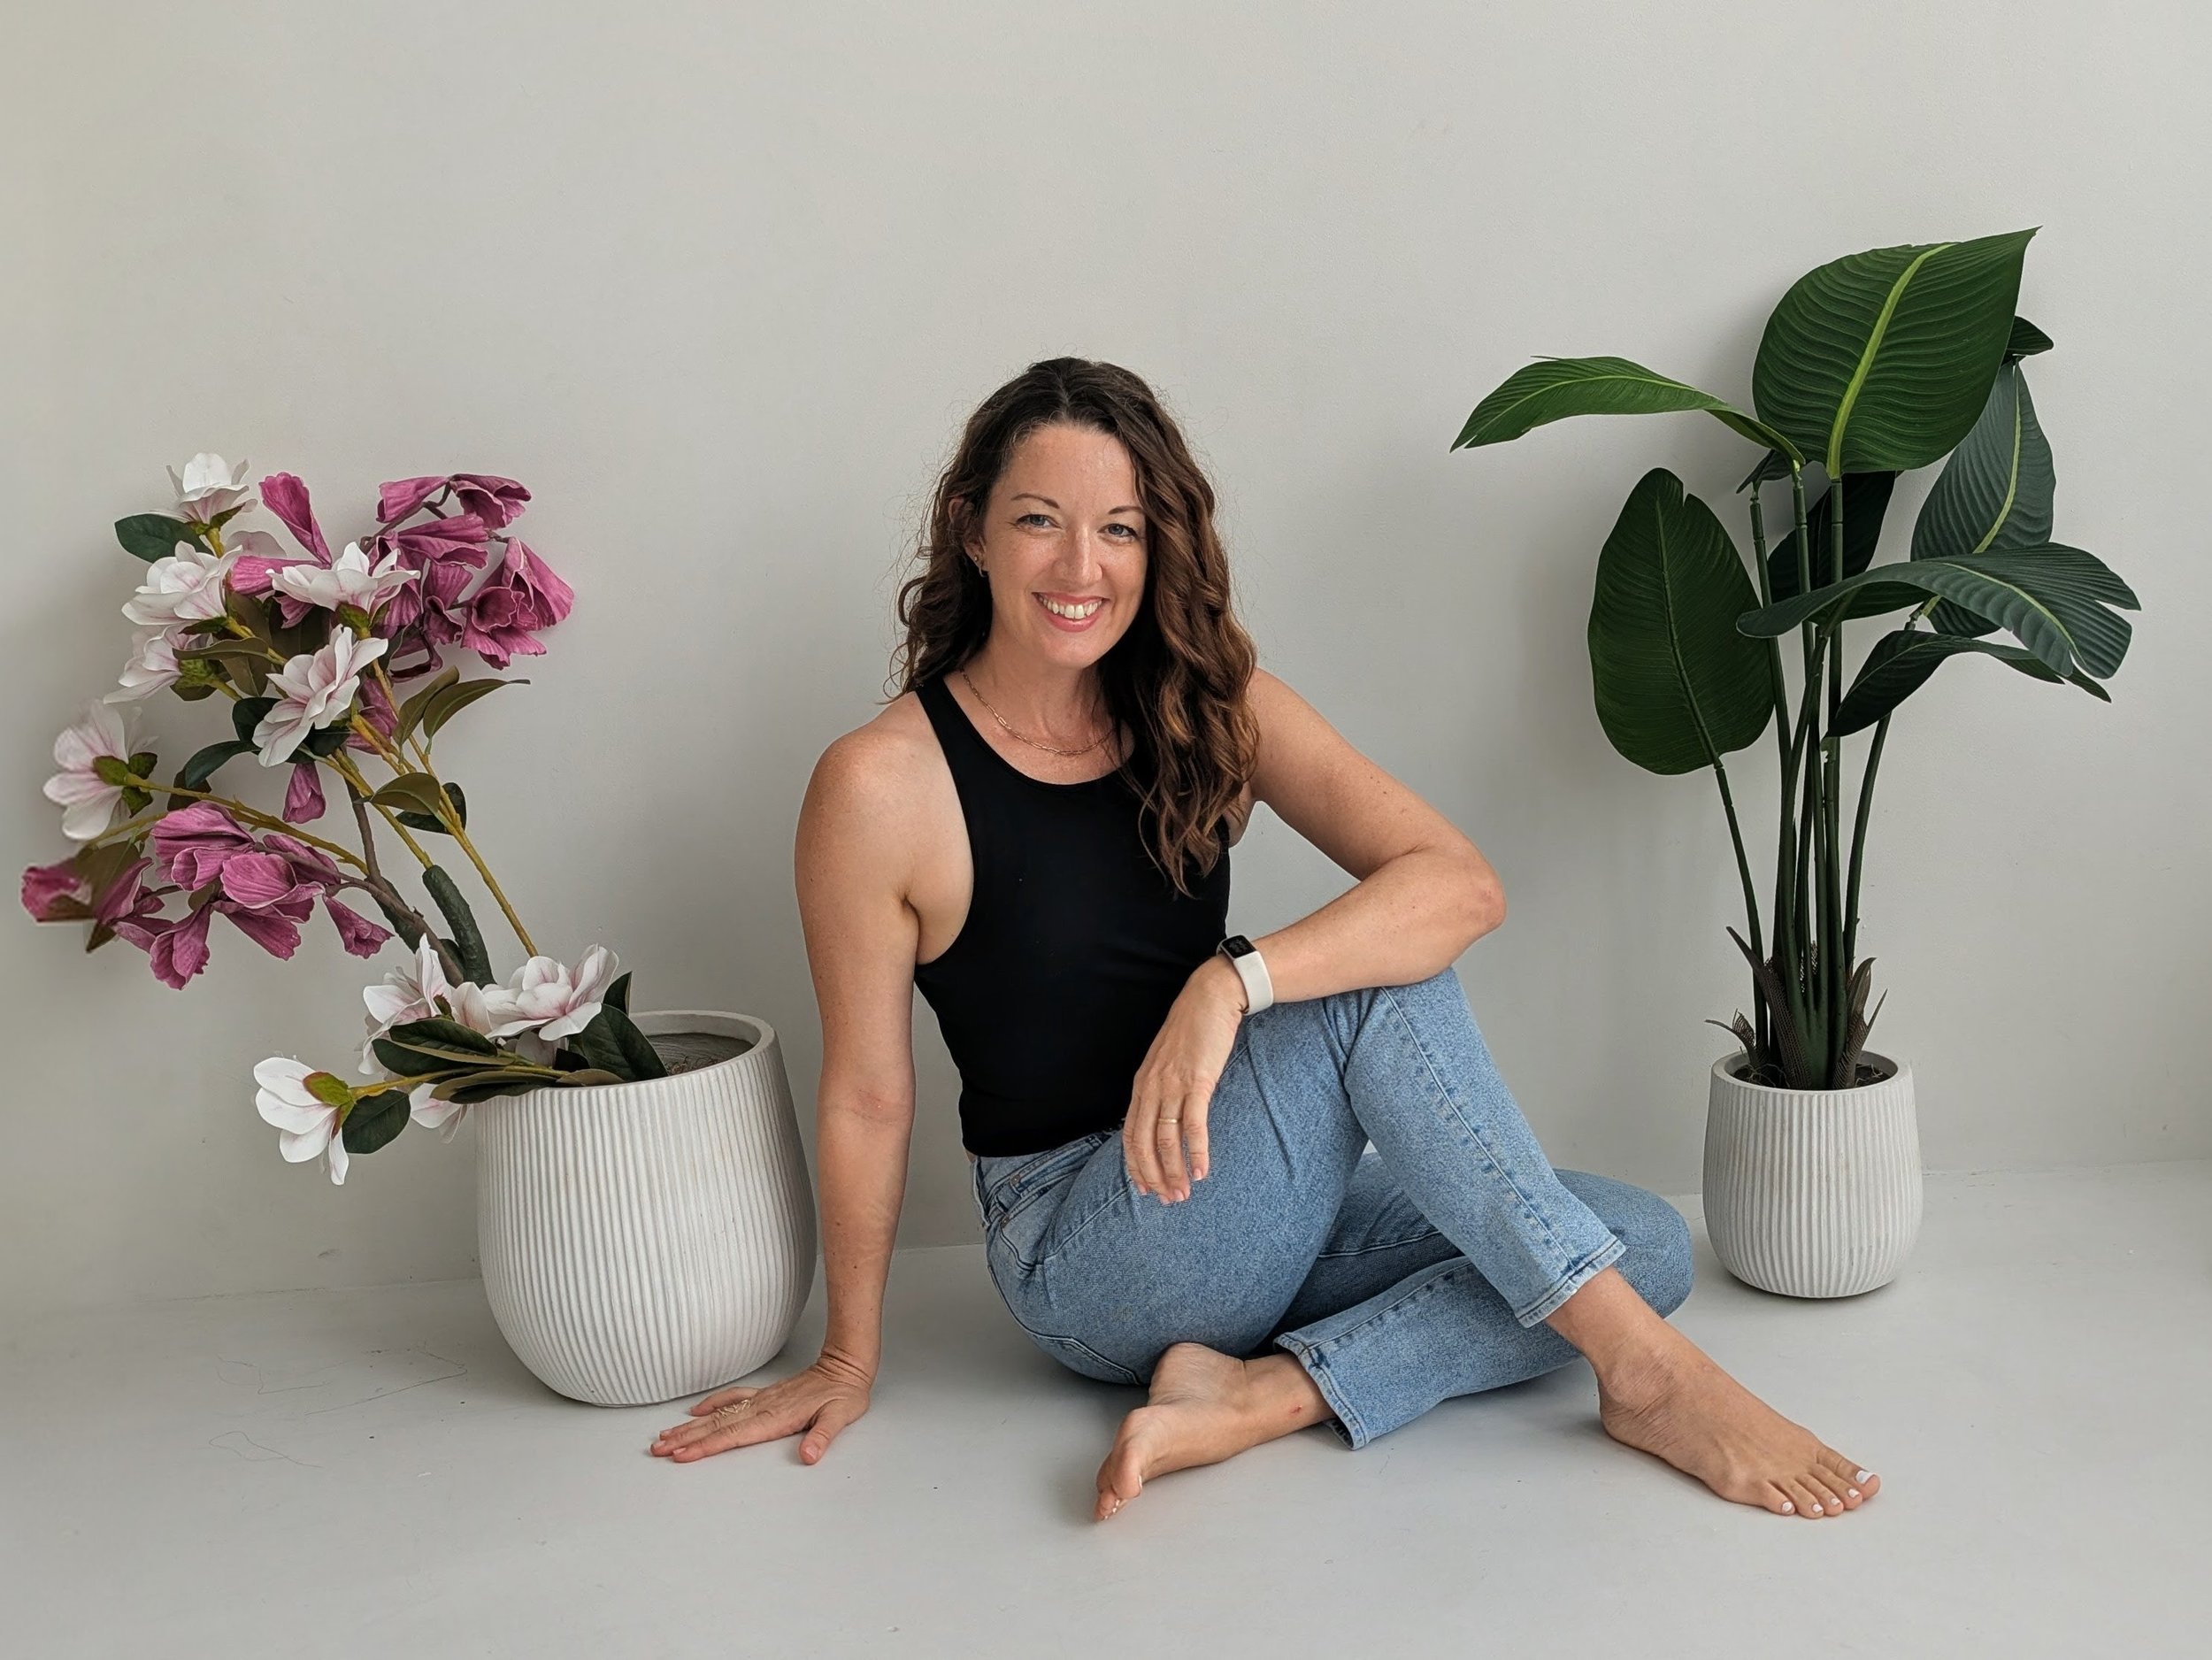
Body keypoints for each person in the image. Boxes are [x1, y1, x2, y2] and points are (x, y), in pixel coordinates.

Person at [650, 357, 1881, 1524]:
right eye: (1040, 521)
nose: (1083, 565)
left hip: (1262, 1199)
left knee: (1637, 1246)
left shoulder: (1210, 702)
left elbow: (1461, 884)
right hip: (1090, 1249)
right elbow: (868, 1093)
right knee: (1365, 997)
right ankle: (1652, 1383)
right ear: (972, 529)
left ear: (1159, 545)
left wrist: (1227, 985)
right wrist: (848, 1358)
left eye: (1121, 529)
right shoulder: (880, 785)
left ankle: (1267, 1392)